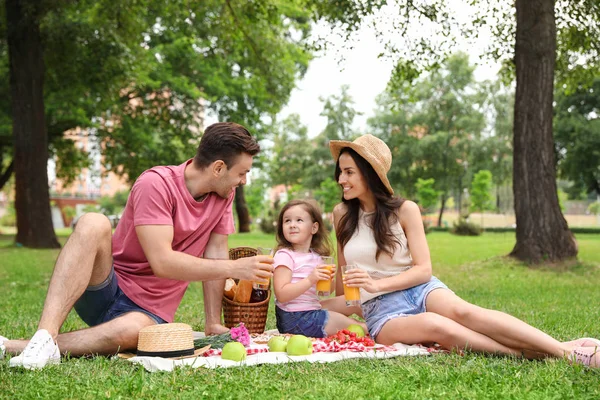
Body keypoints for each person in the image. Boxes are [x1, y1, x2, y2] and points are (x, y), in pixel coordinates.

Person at [0, 122, 274, 369]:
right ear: (218, 168)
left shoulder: (223, 196)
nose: (243, 181)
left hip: (146, 314)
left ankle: (17, 346)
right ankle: (44, 336)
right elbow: (163, 262)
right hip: (106, 287)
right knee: (93, 222)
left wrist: (212, 321)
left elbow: (215, 252)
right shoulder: (156, 184)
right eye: (242, 173)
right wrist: (236, 267)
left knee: (138, 332)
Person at [328, 134, 600, 367]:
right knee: (438, 326)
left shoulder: (405, 210)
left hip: (418, 290)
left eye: (349, 171)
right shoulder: (341, 215)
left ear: (370, 172)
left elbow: (424, 271)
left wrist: (376, 283)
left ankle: (567, 352)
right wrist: (307, 302)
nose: (341, 179)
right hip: (381, 312)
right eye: (340, 171)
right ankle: (543, 352)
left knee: (466, 314)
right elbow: (344, 289)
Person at [272, 199, 366, 338]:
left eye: (299, 220)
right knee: (358, 327)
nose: (292, 225)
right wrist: (311, 279)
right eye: (287, 221)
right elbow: (282, 294)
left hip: (311, 309)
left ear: (314, 228)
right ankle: (376, 328)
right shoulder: (284, 255)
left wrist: (329, 279)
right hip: (294, 319)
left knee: (356, 302)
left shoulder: (316, 257)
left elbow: (325, 292)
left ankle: (381, 319)